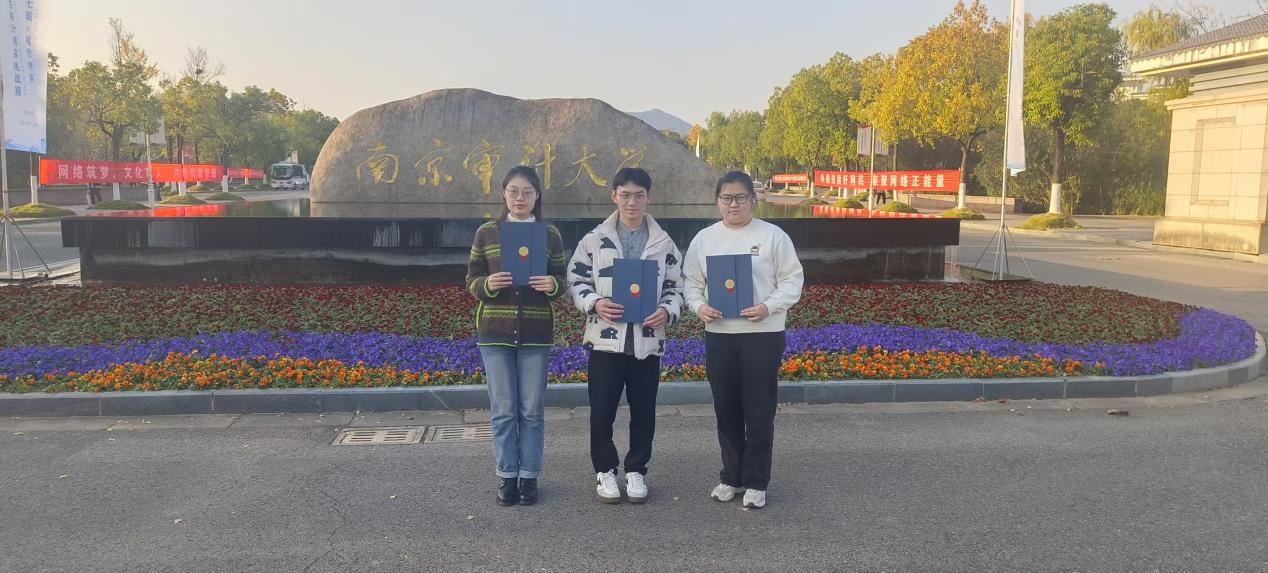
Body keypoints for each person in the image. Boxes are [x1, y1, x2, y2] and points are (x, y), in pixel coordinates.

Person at [682, 170, 804, 510]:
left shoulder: (773, 236)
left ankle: (756, 480)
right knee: (726, 408)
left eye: (740, 197)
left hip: (762, 334)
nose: (733, 204)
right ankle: (731, 476)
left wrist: (769, 307)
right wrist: (699, 307)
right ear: (717, 201)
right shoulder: (705, 239)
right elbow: (690, 283)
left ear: (753, 199)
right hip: (720, 335)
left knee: (759, 409)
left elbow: (792, 280)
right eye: (726, 198)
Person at [567, 167, 683, 504]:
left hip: (646, 341)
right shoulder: (594, 240)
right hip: (605, 341)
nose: (632, 202)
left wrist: (667, 311)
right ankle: (605, 470)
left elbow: (676, 286)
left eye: (639, 195)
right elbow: (576, 280)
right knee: (602, 410)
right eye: (625, 195)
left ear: (649, 198)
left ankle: (636, 469)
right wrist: (595, 302)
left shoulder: (663, 243)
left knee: (644, 411)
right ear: (614, 196)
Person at [465, 165, 568, 506]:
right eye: (513, 191)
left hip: (536, 334)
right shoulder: (487, 233)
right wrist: (488, 284)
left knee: (532, 411)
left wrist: (552, 284)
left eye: (527, 192)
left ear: (537, 196)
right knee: (504, 410)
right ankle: (507, 475)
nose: (520, 198)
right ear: (504, 194)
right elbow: (472, 280)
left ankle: (530, 477)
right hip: (495, 333)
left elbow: (562, 278)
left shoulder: (549, 234)